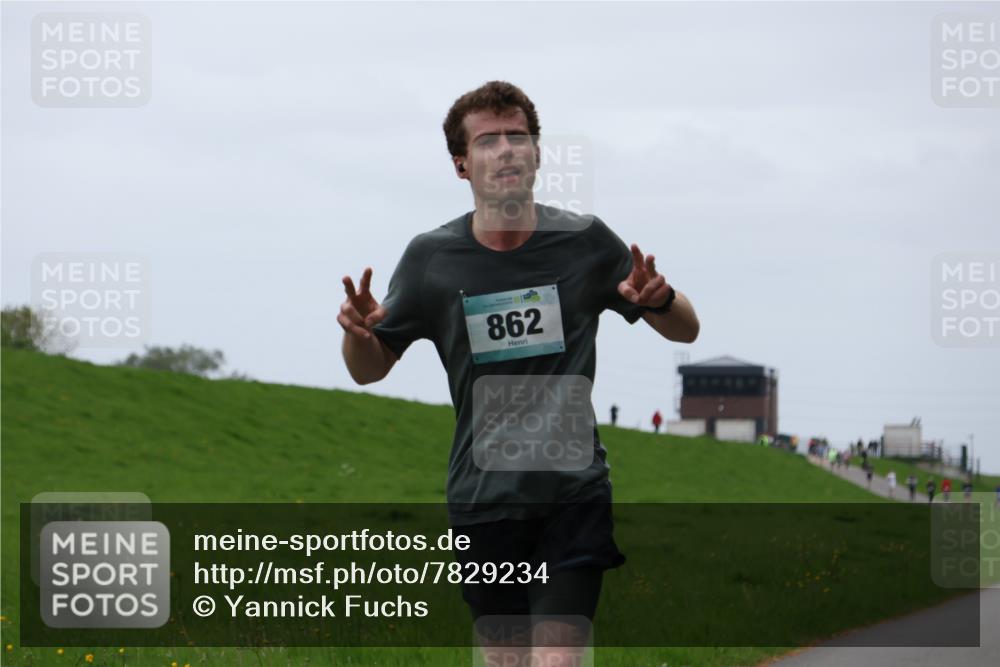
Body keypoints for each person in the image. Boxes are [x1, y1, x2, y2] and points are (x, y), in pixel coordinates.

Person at [338, 81, 700, 661]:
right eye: (488, 140)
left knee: (556, 658)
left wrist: (660, 299)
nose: (506, 149)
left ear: (537, 153)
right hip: (484, 500)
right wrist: (357, 336)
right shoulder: (431, 260)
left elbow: (686, 329)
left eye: (518, 137)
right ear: (461, 164)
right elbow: (369, 370)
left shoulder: (585, 242)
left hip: (572, 494)